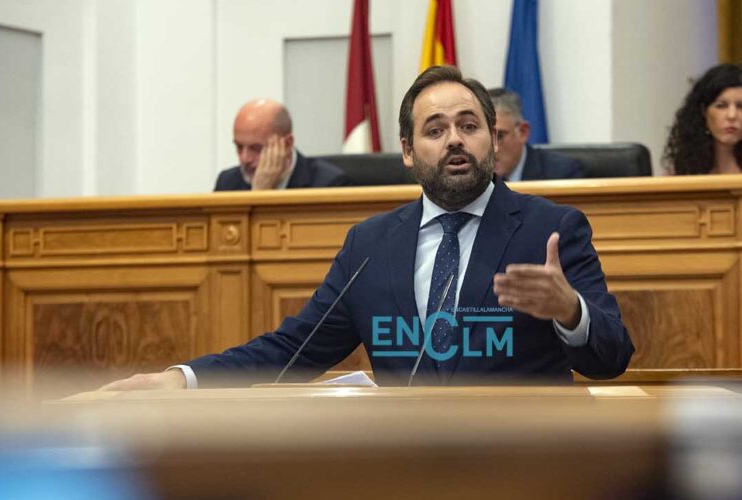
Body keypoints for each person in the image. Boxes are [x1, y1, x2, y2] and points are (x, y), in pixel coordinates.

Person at [102, 66, 632, 390]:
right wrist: (183, 380)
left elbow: (611, 359)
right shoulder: (371, 244)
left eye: (469, 126)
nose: (455, 140)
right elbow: (294, 349)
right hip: (404, 469)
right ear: (406, 151)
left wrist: (570, 311)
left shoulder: (551, 229)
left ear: (493, 142)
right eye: (435, 129)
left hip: (526, 468)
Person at [214, 99, 350, 191]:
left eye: (256, 149)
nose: (245, 158)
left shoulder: (329, 184)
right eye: (239, 147)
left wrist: (261, 195)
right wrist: (258, 192)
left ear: (287, 144)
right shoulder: (227, 183)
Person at [487, 88, 585, 181]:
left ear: (522, 132)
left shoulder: (562, 174)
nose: (490, 149)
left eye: (499, 137)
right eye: (485, 138)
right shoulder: (473, 178)